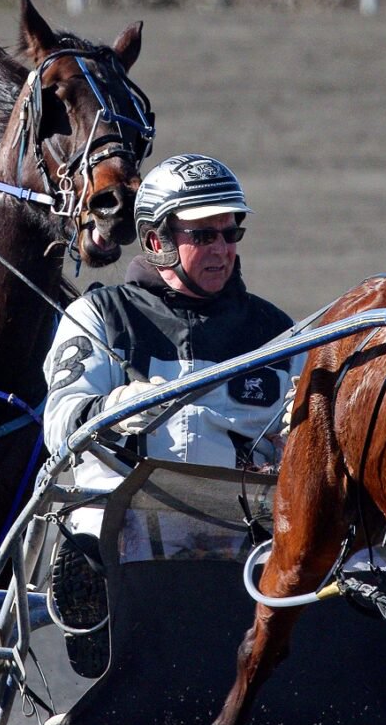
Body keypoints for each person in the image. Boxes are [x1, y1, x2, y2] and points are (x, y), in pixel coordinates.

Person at [40, 154, 295, 675]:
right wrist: (119, 408)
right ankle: (95, 626)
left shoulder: (279, 334)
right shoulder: (101, 316)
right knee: (92, 531)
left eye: (230, 233)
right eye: (203, 236)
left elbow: (307, 439)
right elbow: (59, 423)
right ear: (156, 241)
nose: (223, 250)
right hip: (125, 518)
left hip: (240, 528)